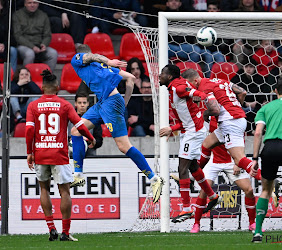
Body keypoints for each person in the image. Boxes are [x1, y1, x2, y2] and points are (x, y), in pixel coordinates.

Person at [70, 44, 164, 203]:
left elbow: (90, 56)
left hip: (110, 103)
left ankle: (154, 179)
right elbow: (131, 78)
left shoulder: (79, 60)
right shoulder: (101, 66)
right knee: (76, 130)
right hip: (104, 103)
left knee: (123, 146)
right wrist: (124, 103)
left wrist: (108, 61)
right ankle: (78, 175)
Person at [25, 70, 95, 241]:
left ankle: (51, 229)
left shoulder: (33, 106)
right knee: (64, 192)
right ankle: (65, 232)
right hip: (59, 154)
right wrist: (91, 138)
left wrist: (29, 152)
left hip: (40, 152)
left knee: (44, 189)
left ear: (42, 87)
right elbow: (80, 124)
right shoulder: (64, 104)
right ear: (57, 87)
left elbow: (28, 130)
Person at [159, 64, 222, 223]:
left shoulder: (179, 88)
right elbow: (186, 118)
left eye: (162, 74)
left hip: (193, 132)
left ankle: (186, 209)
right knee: (193, 166)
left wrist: (206, 97)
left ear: (169, 76)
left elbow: (197, 94)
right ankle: (212, 196)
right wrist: (172, 129)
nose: (159, 76)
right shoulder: (175, 87)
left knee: (182, 168)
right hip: (190, 129)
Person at [183, 69, 262, 180]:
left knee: (239, 160)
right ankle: (191, 177)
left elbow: (216, 110)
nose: (189, 88)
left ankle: (265, 178)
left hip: (230, 122)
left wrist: (205, 114)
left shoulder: (204, 88)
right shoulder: (219, 81)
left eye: (189, 85)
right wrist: (236, 106)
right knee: (206, 144)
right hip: (233, 119)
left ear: (195, 81)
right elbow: (242, 92)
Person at [251, 76, 282, 243]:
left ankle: (257, 232)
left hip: (269, 149)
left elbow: (258, 133)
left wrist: (255, 158)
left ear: (275, 91)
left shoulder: (266, 108)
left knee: (266, 189)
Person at [190, 116, 259, 233]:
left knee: (249, 190)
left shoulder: (231, 119)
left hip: (232, 161)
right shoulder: (210, 116)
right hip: (213, 161)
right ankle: (196, 224)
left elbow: (239, 141)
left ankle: (252, 223)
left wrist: (238, 162)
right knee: (203, 190)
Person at [166, 0, 225, 78]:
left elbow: (224, 43)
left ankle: (216, 80)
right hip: (170, 45)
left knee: (217, 55)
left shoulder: (222, 25)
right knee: (206, 54)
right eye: (209, 8)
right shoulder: (162, 16)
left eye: (214, 9)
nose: (211, 11)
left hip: (186, 46)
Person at [12, 0, 58, 71]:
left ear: (38, 4)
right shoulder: (17, 15)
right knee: (30, 54)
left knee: (53, 53)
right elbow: (18, 36)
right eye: (29, 3)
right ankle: (26, 78)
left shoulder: (43, 15)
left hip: (39, 45)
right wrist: (32, 47)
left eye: (35, 3)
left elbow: (47, 35)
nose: (32, 5)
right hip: (23, 45)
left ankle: (47, 78)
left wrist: (44, 44)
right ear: (25, 4)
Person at [0, 0, 18, 72]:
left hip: (5, 45)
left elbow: (13, 36)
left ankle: (11, 76)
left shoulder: (8, 17)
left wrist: (4, 45)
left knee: (13, 51)